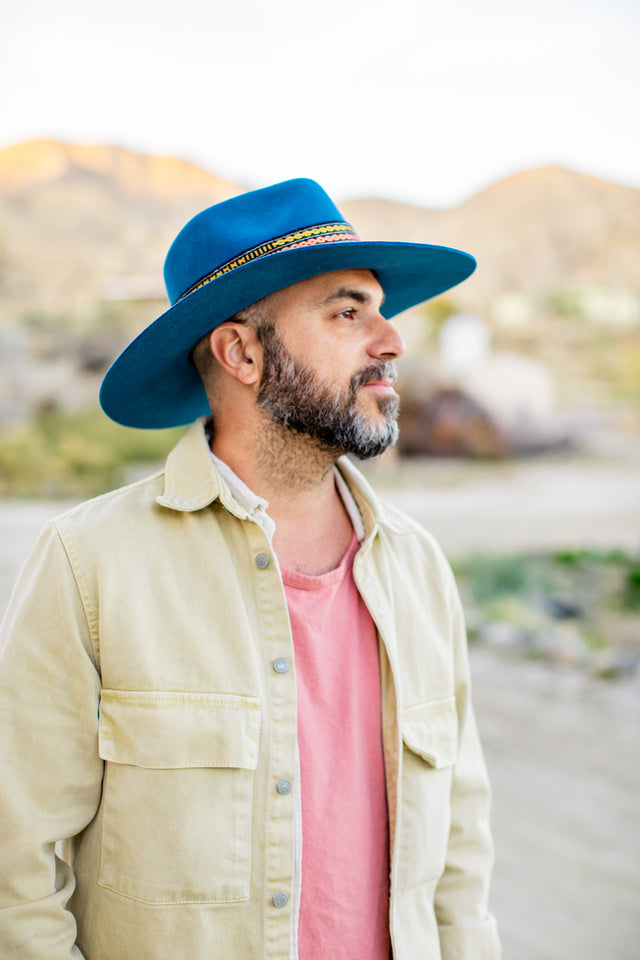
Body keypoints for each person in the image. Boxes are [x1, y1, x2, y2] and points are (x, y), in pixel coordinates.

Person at [0, 178, 501, 960]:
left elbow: (461, 859)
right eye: (347, 312)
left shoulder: (418, 567)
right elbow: (17, 875)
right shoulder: (88, 564)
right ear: (239, 351)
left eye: (380, 308)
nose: (391, 340)